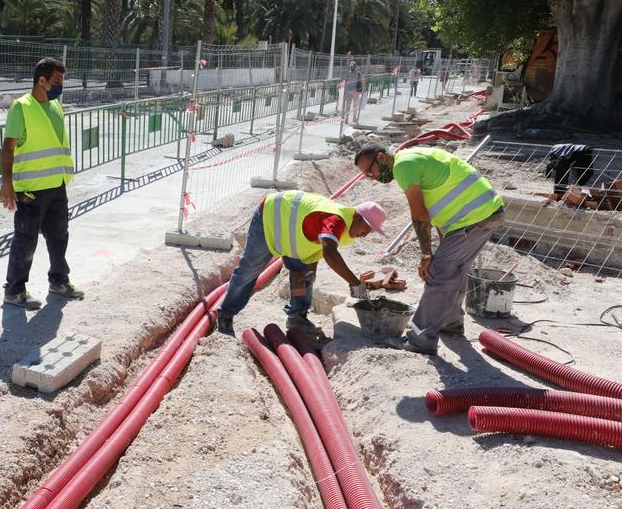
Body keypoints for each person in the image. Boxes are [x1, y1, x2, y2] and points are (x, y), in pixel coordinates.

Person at [354, 143, 505, 355]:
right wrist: (439, 247)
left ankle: (420, 340)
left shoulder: (403, 165)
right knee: (455, 271)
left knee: (438, 274)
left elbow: (420, 215)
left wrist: (426, 255)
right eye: (367, 176)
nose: (373, 177)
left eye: (371, 171)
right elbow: (441, 203)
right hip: (484, 212)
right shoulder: (413, 157)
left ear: (381, 157)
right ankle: (450, 325)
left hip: (472, 218)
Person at [214, 191, 388, 341]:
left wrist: (308, 274)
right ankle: (225, 315)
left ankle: (297, 316)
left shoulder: (349, 229)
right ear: (357, 216)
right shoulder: (336, 219)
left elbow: (317, 249)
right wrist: (354, 282)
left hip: (293, 231)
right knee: (249, 269)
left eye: (371, 230)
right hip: (272, 217)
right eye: (367, 227)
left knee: (303, 275)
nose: (366, 234)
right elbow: (329, 252)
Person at [0, 58, 84, 310]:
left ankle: (59, 281)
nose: (60, 86)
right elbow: (8, 147)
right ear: (42, 80)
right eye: (56, 81)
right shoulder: (21, 107)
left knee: (59, 236)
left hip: (56, 183)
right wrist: (7, 183)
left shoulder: (57, 106)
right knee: (26, 240)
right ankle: (14, 290)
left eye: (62, 81)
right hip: (30, 188)